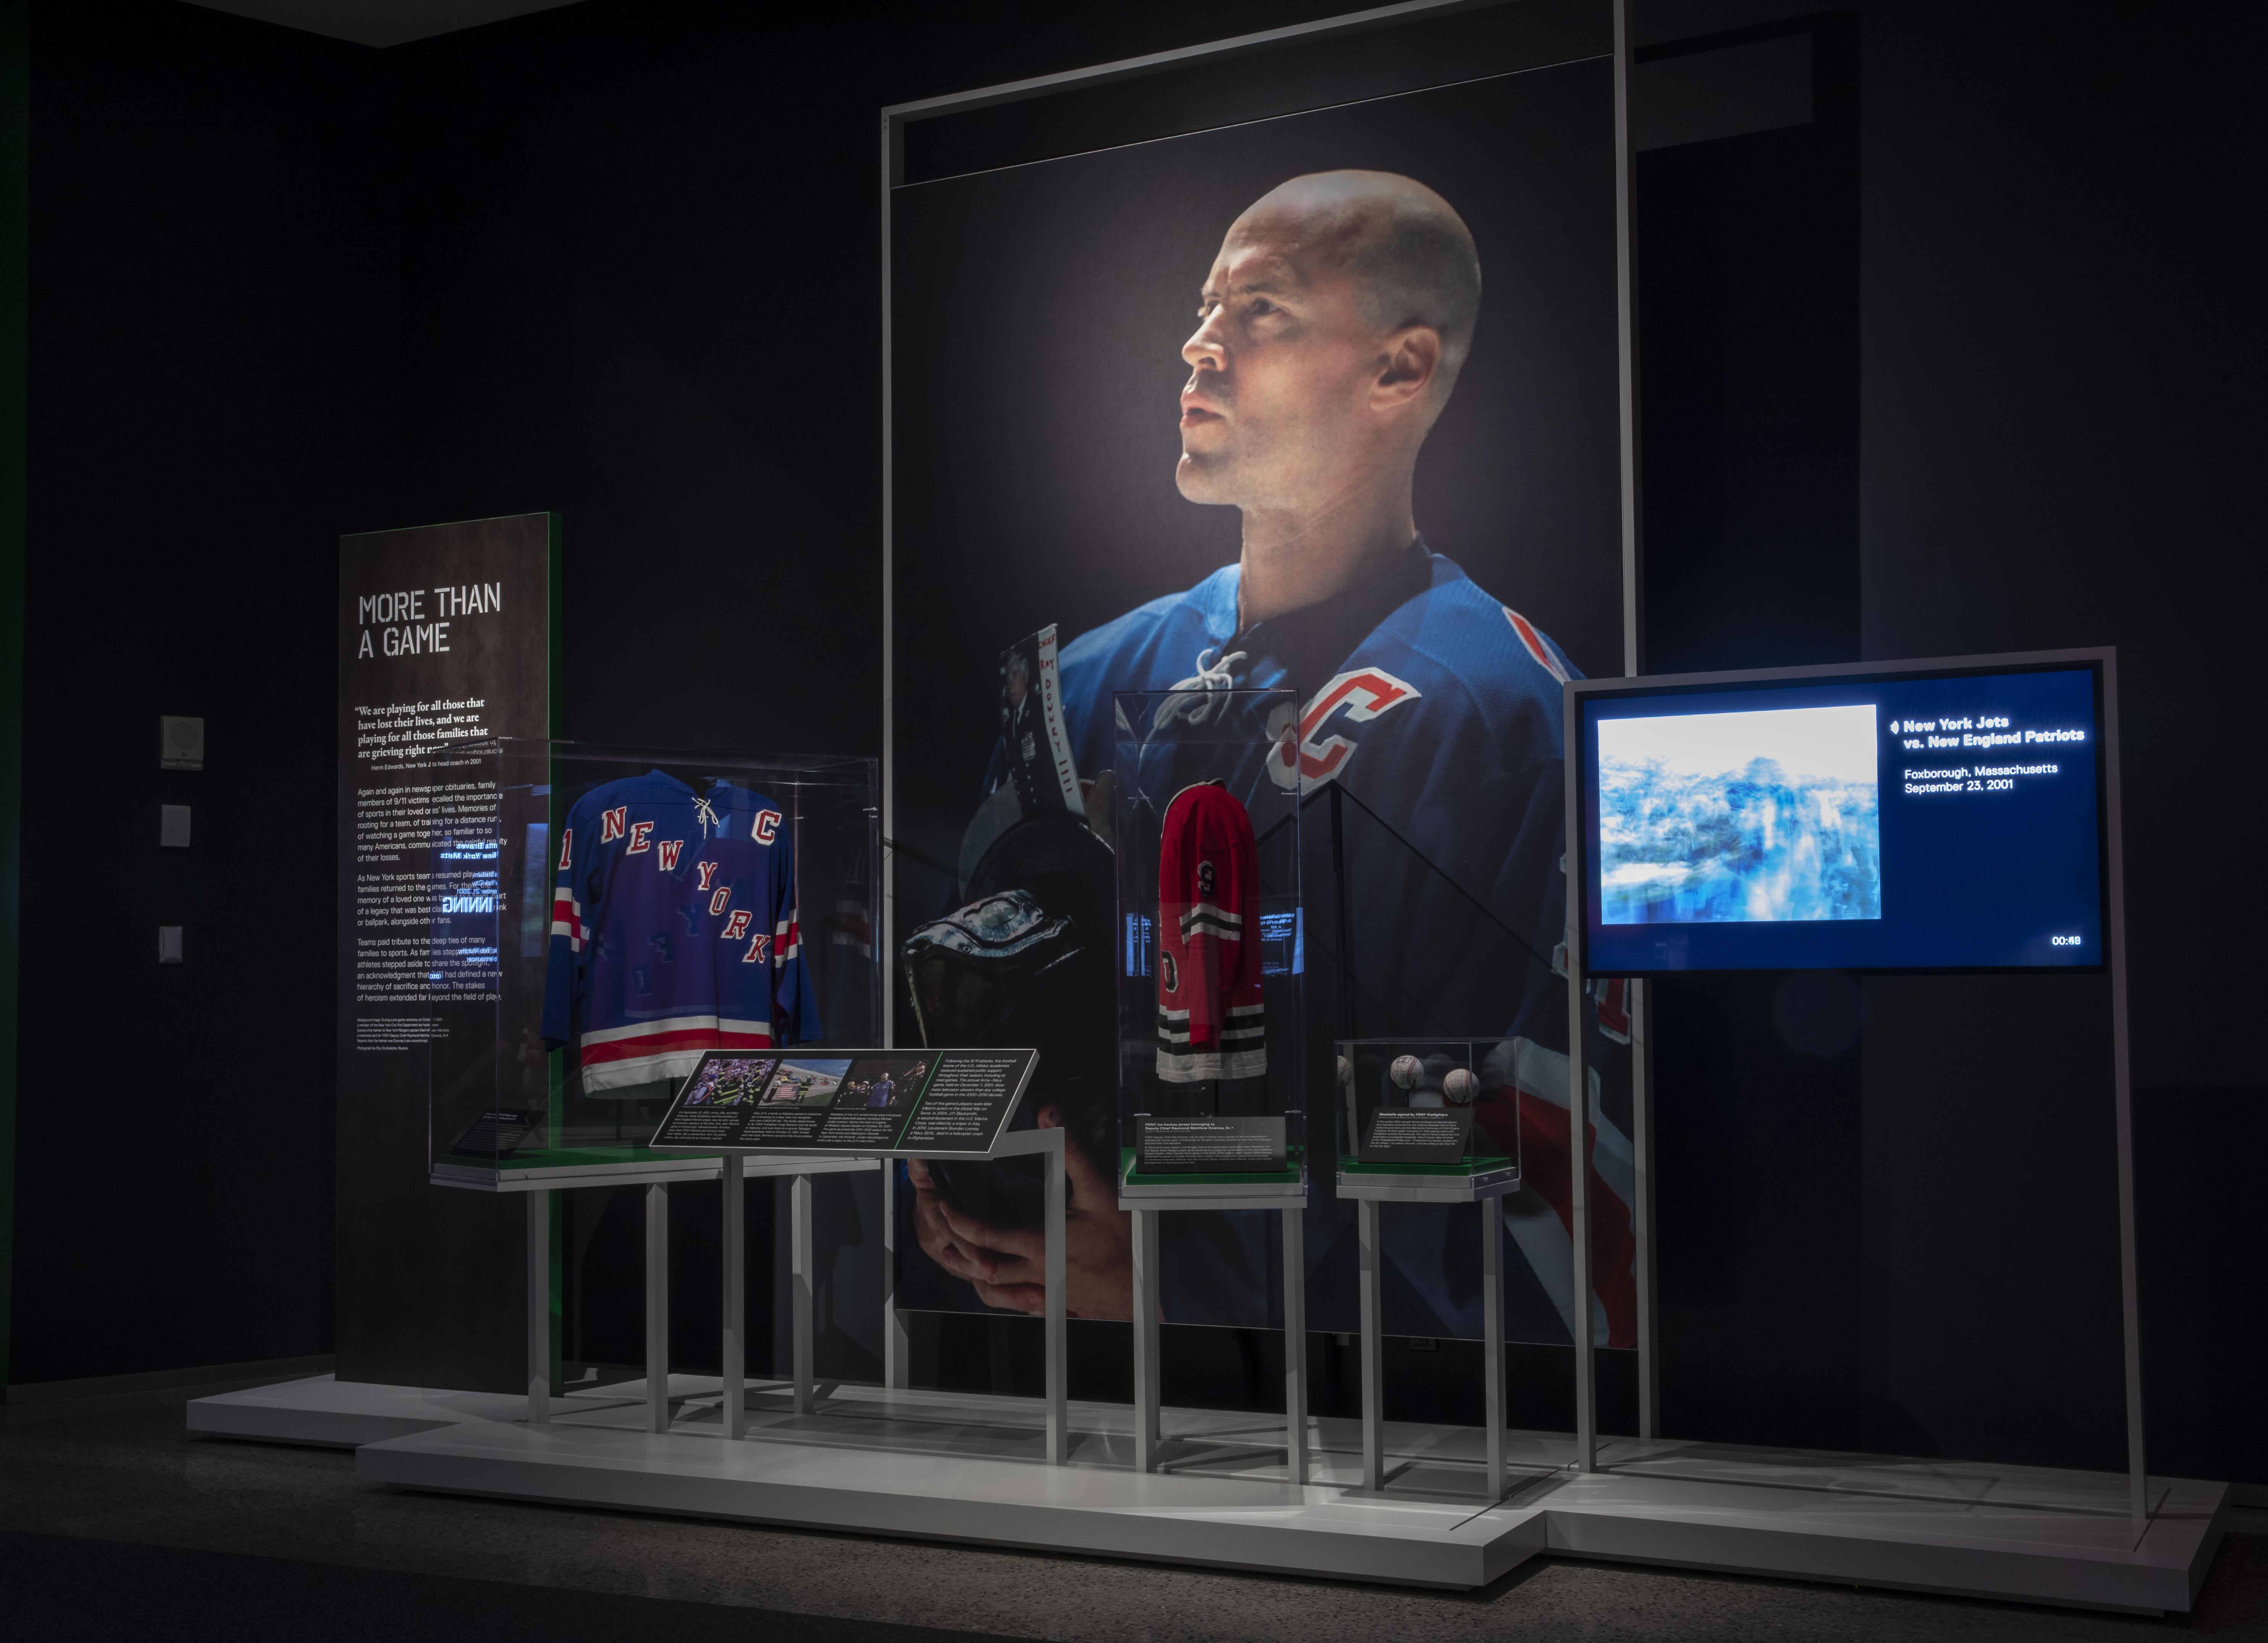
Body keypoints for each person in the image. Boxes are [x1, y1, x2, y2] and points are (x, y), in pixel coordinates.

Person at [923, 171, 1636, 1345]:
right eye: (1204, 306)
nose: (1200, 343)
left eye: (1260, 309)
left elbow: (1508, 1149)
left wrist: (1174, 1287)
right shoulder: (1090, 677)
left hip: (1380, 1414)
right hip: (1070, 1382)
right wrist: (967, 1180)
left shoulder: (1501, 708)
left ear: (1398, 368)